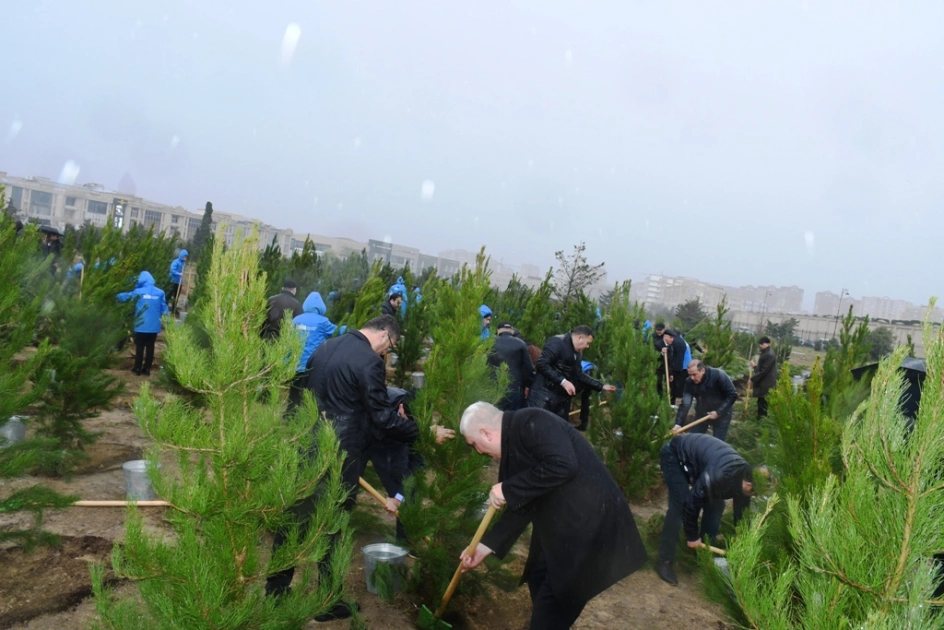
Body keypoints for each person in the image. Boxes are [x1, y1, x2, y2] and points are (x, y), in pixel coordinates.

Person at [265, 315, 418, 621]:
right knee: (333, 525)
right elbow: (381, 417)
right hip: (341, 453)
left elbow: (305, 397)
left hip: (308, 444)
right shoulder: (369, 361)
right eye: (389, 347)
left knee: (294, 519)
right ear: (385, 335)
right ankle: (328, 601)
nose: (385, 353)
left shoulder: (325, 347)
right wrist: (417, 428)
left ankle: (276, 591)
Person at [458, 402, 647, 629]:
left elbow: (564, 465)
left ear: (485, 433)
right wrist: (485, 546)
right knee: (538, 577)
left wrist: (509, 488)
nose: (479, 451)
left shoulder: (532, 422)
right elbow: (525, 502)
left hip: (590, 530)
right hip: (562, 527)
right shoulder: (514, 442)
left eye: (474, 444)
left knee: (554, 604)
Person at [655, 433, 755, 586]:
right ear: (748, 485)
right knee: (680, 504)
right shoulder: (718, 475)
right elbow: (692, 503)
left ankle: (702, 556)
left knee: (716, 506)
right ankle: (664, 560)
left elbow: (741, 516)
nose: (755, 496)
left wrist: (745, 543)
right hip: (675, 455)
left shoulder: (745, 479)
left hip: (703, 463)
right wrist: (692, 536)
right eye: (755, 492)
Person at [528, 325, 617, 421]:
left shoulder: (577, 352)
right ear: (580, 338)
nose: (587, 346)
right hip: (542, 398)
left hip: (561, 401)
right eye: (587, 343)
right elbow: (542, 364)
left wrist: (601, 386)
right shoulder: (557, 343)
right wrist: (563, 381)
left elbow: (579, 374)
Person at [289, 292, 337, 412]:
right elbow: (337, 331)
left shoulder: (296, 320)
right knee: (311, 392)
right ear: (321, 306)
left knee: (294, 390)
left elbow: (288, 339)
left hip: (296, 362)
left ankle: (290, 413)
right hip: (314, 363)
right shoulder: (323, 322)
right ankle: (308, 414)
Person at [117, 271, 169, 376]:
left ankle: (137, 368)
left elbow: (126, 297)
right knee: (150, 347)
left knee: (139, 347)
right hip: (154, 327)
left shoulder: (138, 292)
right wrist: (167, 322)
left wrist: (116, 294)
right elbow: (164, 309)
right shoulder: (160, 293)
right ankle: (147, 369)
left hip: (141, 325)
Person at [673, 360, 738, 442]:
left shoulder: (718, 375)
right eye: (690, 375)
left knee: (717, 442)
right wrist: (678, 424)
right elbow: (685, 403)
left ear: (702, 370)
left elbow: (732, 394)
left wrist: (718, 412)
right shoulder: (689, 382)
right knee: (693, 440)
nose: (692, 378)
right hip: (702, 414)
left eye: (694, 374)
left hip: (723, 414)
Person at [488, 322, 536, 411]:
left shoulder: (490, 343)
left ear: (498, 331)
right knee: (513, 416)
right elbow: (529, 368)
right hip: (515, 389)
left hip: (494, 389)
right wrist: (528, 385)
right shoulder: (521, 344)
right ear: (512, 331)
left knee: (494, 415)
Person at [750, 336, 779, 419]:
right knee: (761, 401)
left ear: (768, 344)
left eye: (762, 344)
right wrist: (755, 366)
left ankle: (762, 419)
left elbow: (764, 371)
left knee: (763, 402)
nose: (760, 345)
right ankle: (761, 418)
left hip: (766, 382)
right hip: (765, 381)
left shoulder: (769, 355)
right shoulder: (765, 353)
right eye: (760, 343)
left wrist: (752, 379)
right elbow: (763, 368)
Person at [662, 329, 691, 402]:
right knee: (677, 385)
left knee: (671, 385)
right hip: (682, 366)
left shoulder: (674, 342)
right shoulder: (683, 341)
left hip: (674, 367)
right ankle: (674, 400)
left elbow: (672, 356)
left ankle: (671, 401)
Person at [167, 249, 188, 313]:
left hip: (179, 282)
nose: (185, 258)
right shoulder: (175, 262)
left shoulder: (184, 263)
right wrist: (179, 274)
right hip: (172, 281)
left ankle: (174, 308)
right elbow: (172, 270)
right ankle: (165, 307)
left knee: (176, 296)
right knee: (169, 294)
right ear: (181, 256)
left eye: (186, 257)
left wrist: (182, 278)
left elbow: (182, 272)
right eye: (184, 256)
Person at [652, 322, 668, 395]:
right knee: (657, 380)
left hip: (665, 362)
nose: (659, 331)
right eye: (657, 330)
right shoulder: (653, 337)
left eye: (660, 330)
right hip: (656, 361)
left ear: (664, 329)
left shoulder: (666, 336)